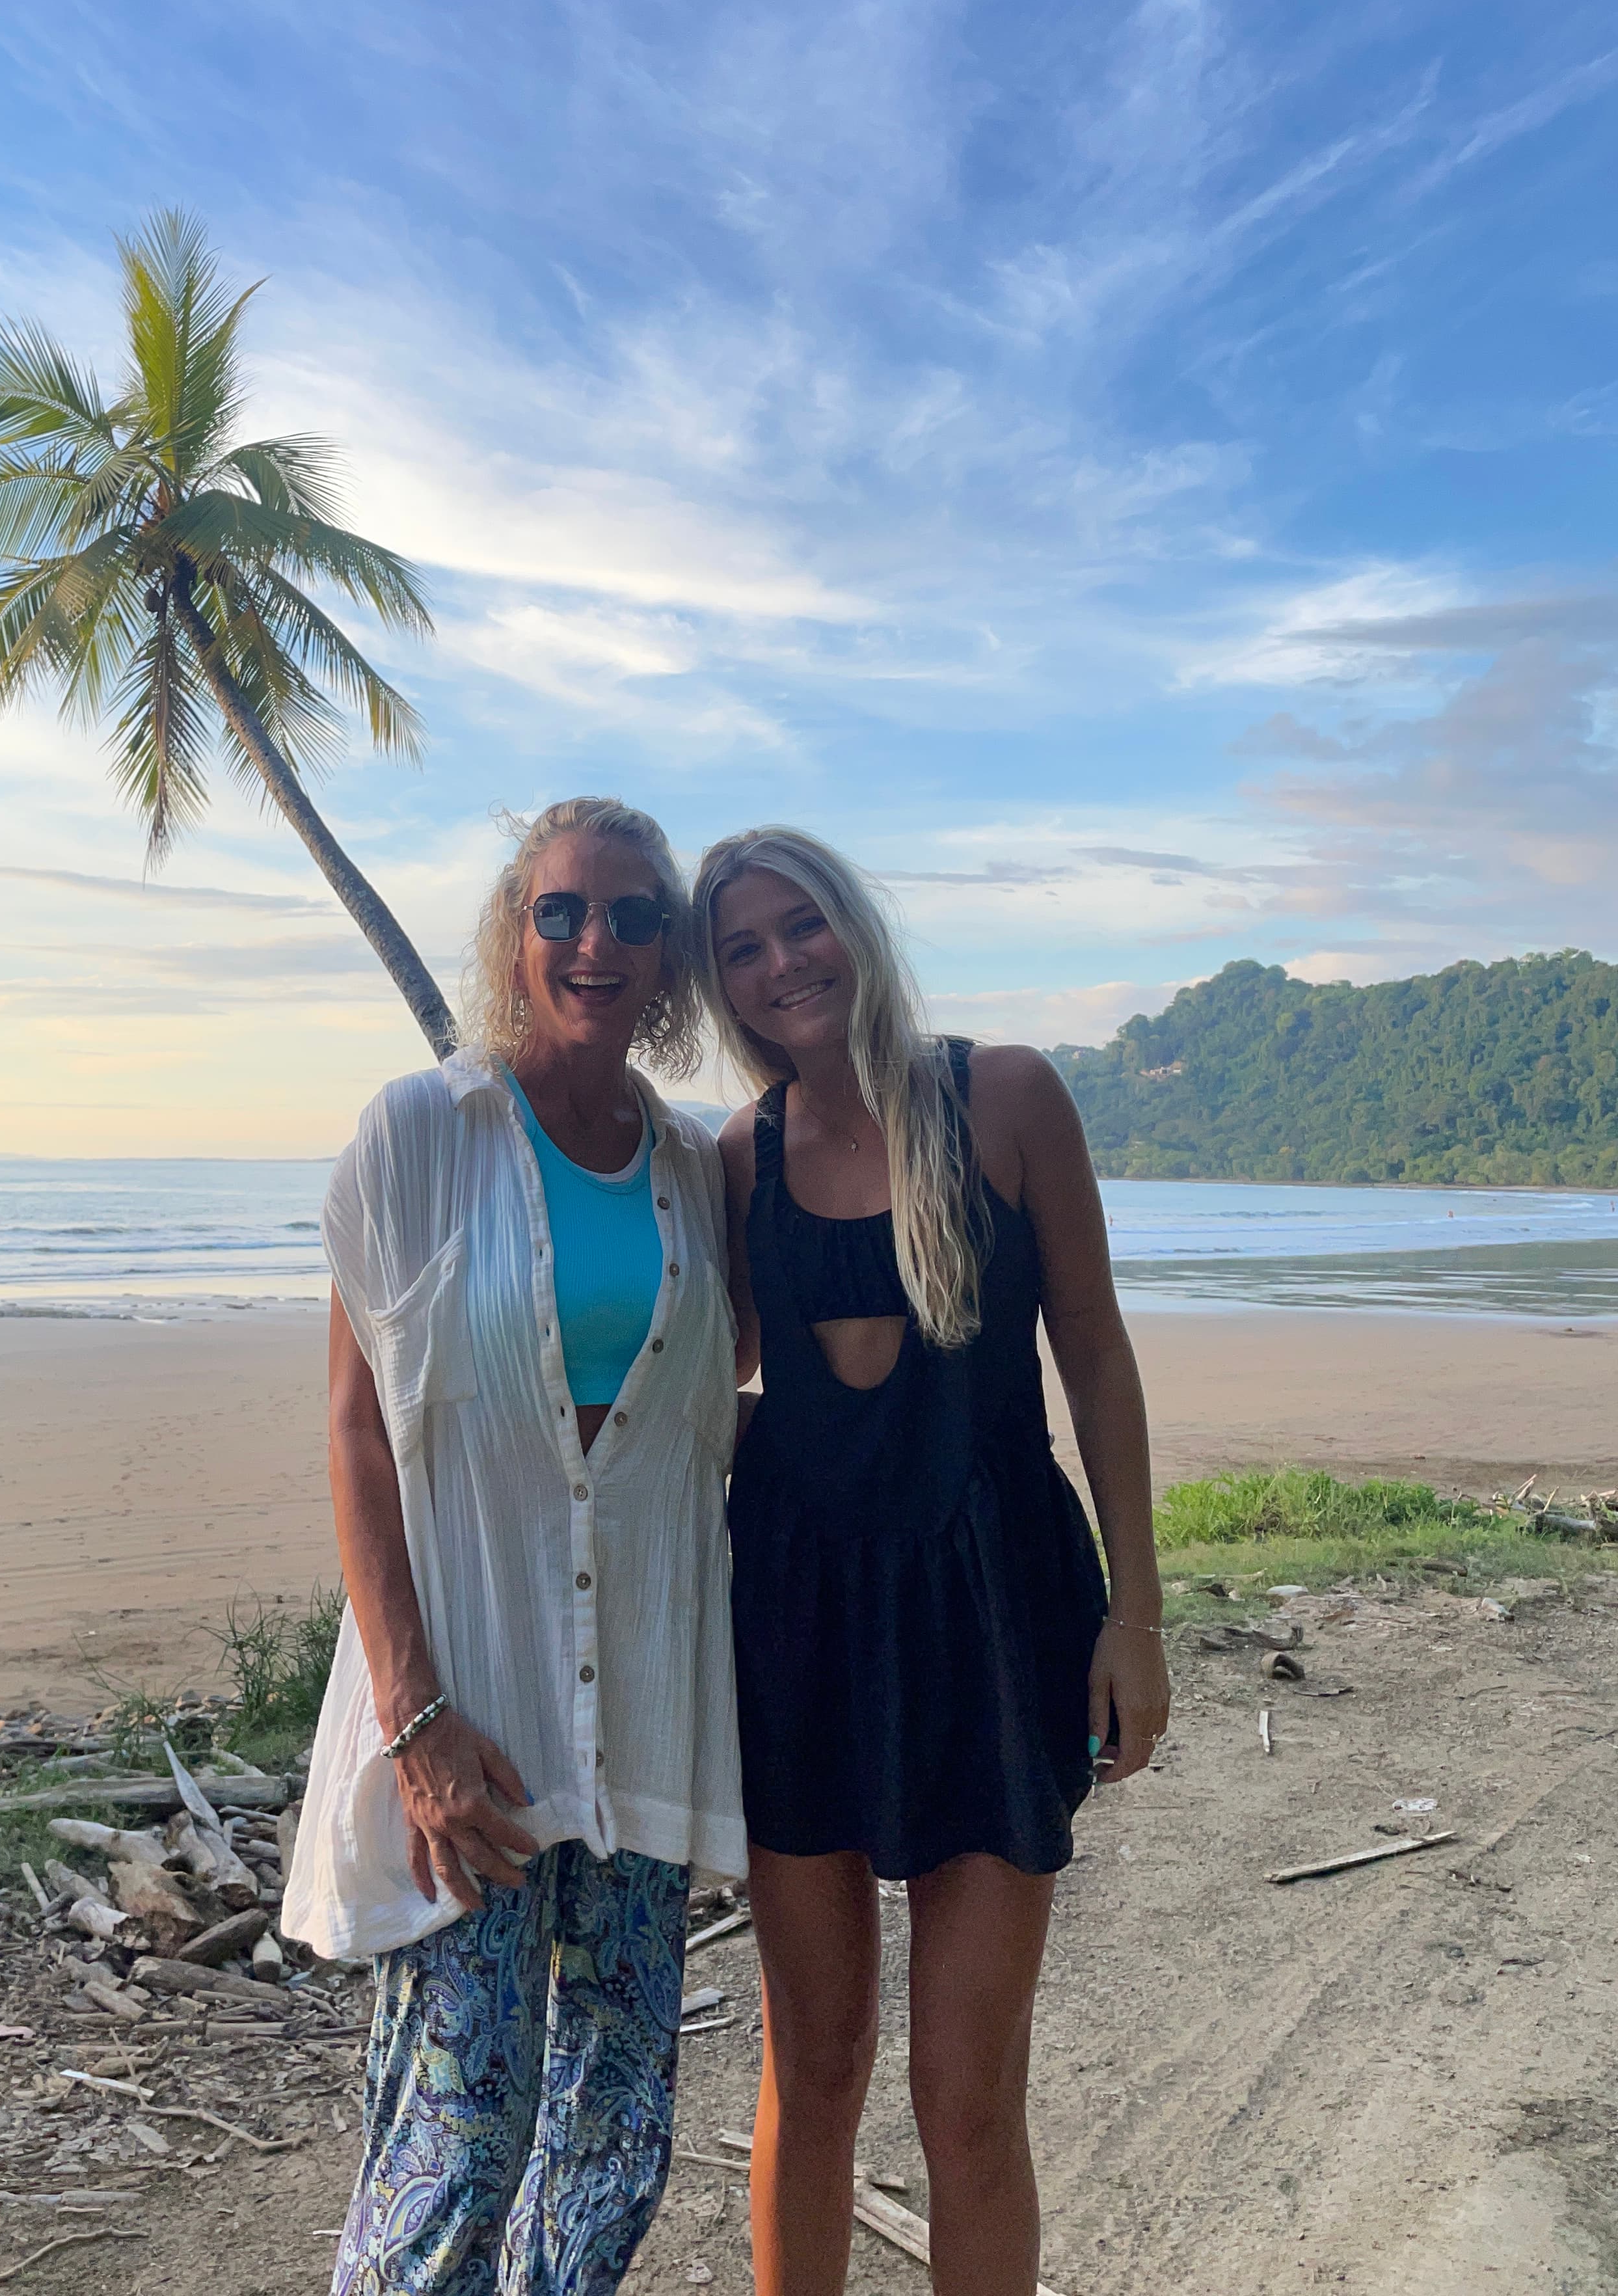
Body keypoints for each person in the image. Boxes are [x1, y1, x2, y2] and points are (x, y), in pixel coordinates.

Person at [688, 826, 1169, 2296]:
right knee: (813, 2069)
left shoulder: (1004, 1096)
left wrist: (1138, 1614)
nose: (783, 963)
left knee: (966, 2099)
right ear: (720, 985)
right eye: (745, 947)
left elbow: (1092, 1349)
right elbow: (687, 1384)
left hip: (995, 1613)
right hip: (797, 1626)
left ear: (855, 926)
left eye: (803, 924)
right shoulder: (737, 1155)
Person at [286, 796, 745, 2296]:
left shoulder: (693, 1171)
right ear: (517, 933)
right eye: (563, 911)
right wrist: (412, 1716)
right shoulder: (423, 1135)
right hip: (469, 1724)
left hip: (642, 1728)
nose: (595, 941)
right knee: (460, 2127)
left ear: (670, 956)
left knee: (619, 2129)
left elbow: (702, 1420)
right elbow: (357, 1432)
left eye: (632, 916)